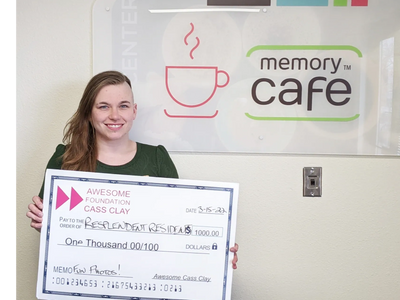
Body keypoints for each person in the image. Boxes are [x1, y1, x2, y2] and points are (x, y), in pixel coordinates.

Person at [26, 70, 238, 269]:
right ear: (89, 113)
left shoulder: (156, 159)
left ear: (134, 111)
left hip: (143, 281)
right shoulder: (65, 159)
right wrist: (43, 223)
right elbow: (51, 229)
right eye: (103, 106)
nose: (115, 115)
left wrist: (215, 249)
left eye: (123, 106)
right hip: (83, 279)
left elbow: (178, 228)